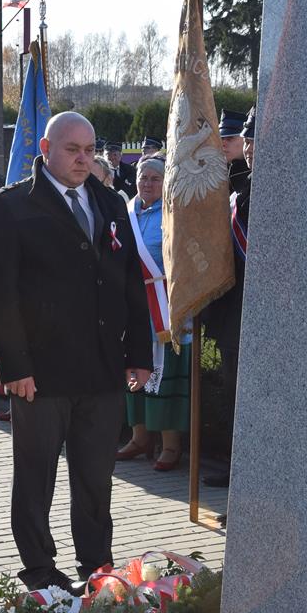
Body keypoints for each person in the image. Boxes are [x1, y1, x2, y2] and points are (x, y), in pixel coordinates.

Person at [0, 111, 152, 593]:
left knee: (96, 480)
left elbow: (130, 282)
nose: (83, 159)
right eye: (73, 150)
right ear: (46, 149)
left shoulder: (110, 202)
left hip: (101, 369)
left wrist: (139, 353)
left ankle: (98, 567)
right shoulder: (10, 206)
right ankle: (39, 570)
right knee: (36, 481)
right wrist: (13, 366)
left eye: (90, 150)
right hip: (41, 372)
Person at [115, 158, 191, 470]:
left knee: (166, 375)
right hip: (133, 307)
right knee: (134, 369)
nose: (147, 183)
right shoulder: (125, 212)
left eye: (155, 178)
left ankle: (170, 445)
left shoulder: (174, 214)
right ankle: (139, 436)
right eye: (143, 177)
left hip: (163, 307)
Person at [202, 113, 255, 488]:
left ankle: (250, 479)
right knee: (234, 393)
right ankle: (239, 471)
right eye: (246, 141)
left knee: (254, 402)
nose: (248, 148)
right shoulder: (240, 185)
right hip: (235, 310)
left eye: (252, 141)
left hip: (260, 314)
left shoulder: (273, 188)